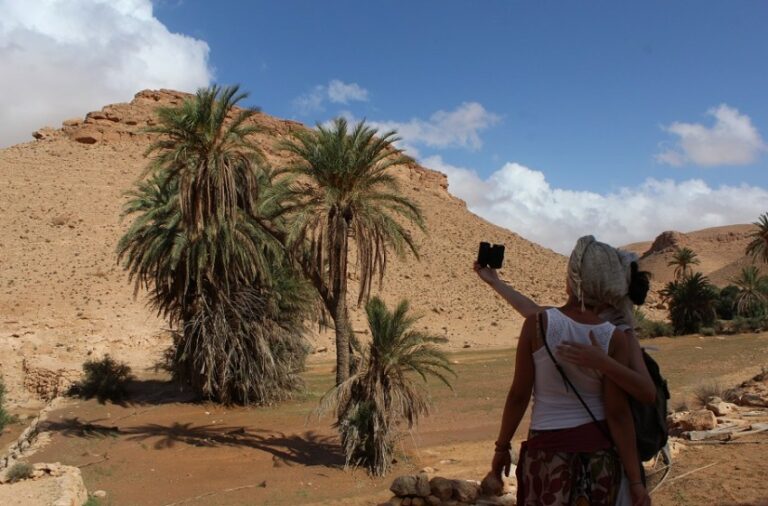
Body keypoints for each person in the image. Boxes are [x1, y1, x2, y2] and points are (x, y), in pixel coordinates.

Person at [486, 236, 651, 505]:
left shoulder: (536, 325)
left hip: (547, 459)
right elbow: (618, 413)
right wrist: (635, 482)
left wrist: (502, 447)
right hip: (598, 459)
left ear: (572, 279)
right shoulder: (615, 337)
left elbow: (518, 396)